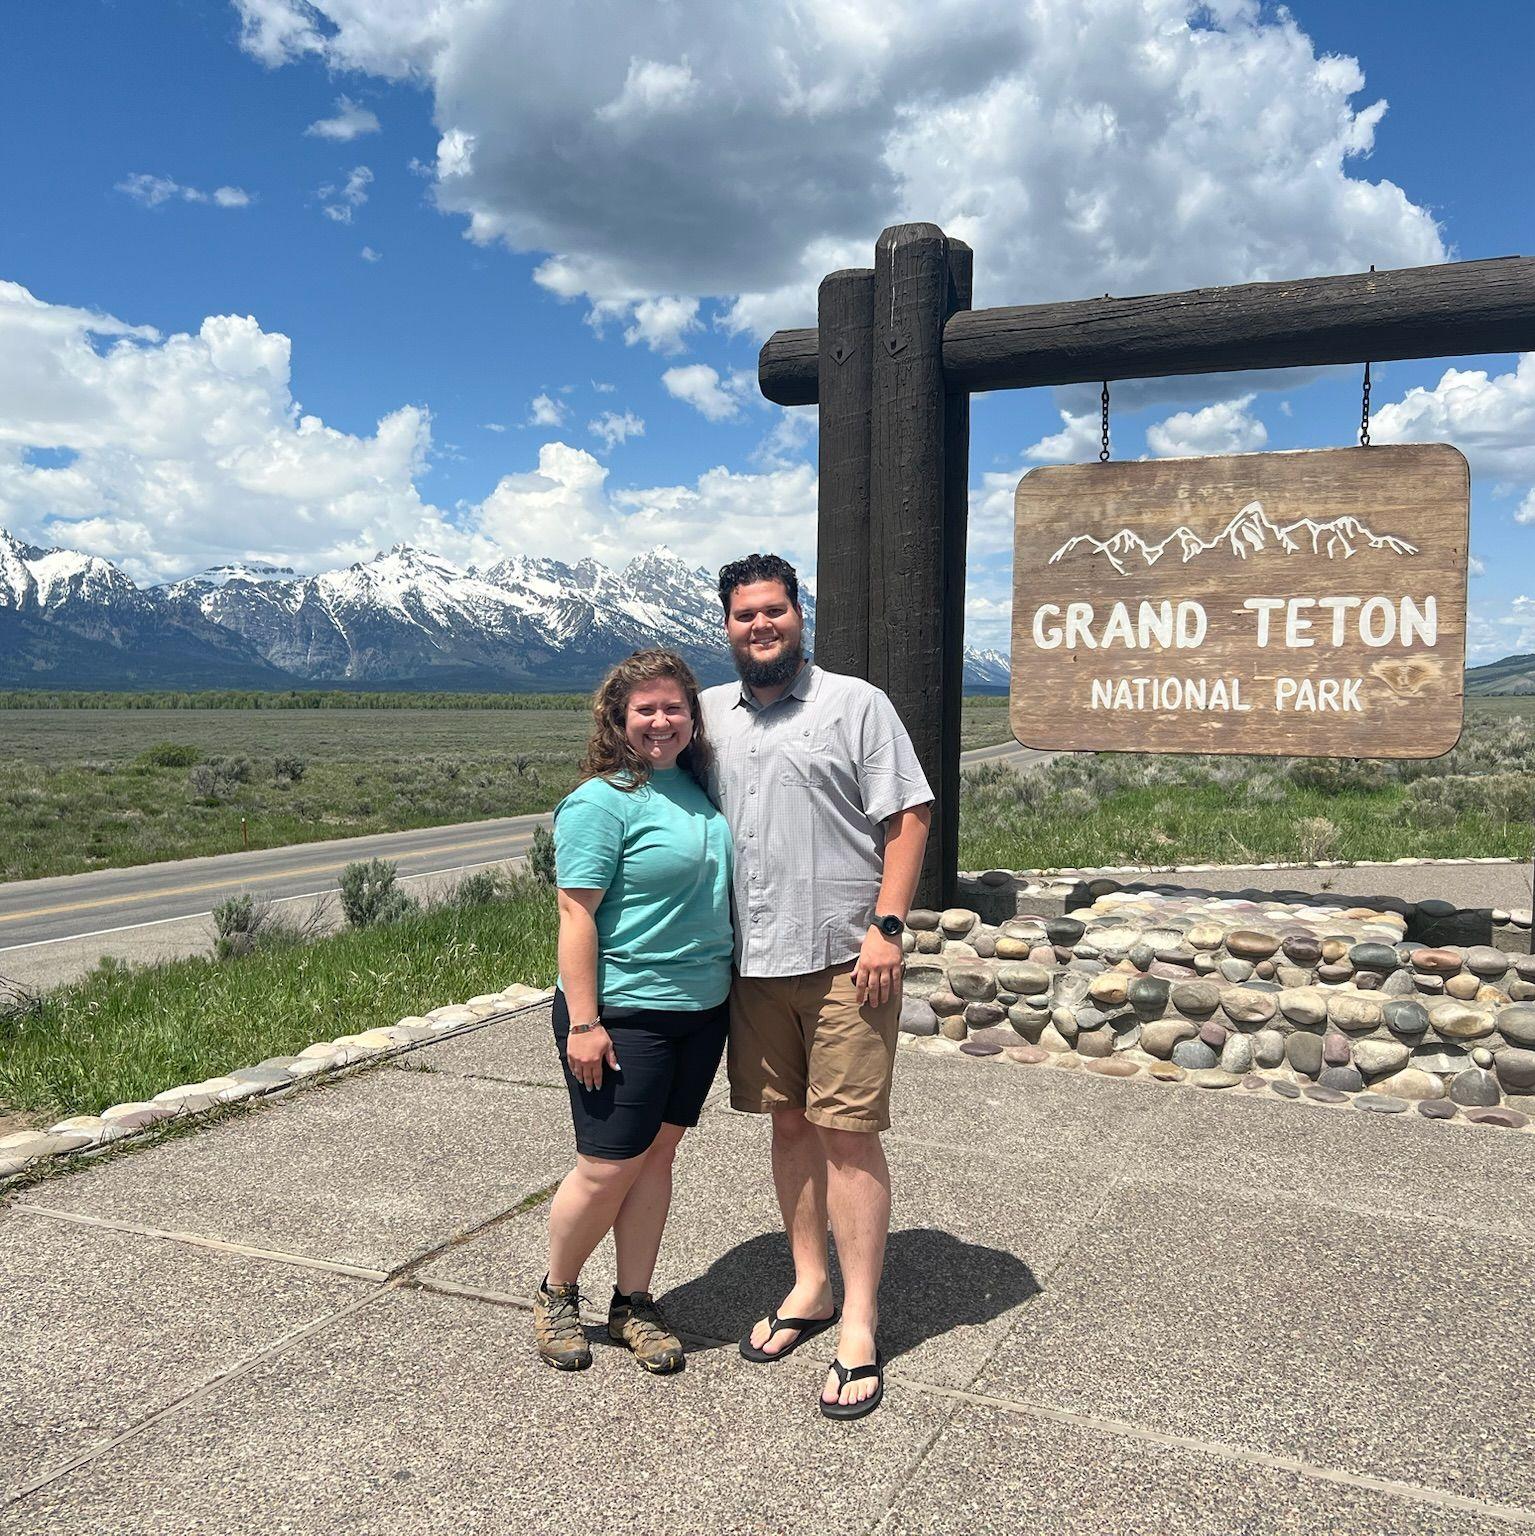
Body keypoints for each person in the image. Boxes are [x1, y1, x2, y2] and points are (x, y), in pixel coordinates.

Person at [700, 554, 932, 1421]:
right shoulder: (710, 716)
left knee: (848, 1135)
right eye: (743, 616)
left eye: (773, 612)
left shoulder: (854, 704)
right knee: (789, 1123)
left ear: (800, 616)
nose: (759, 627)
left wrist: (888, 927)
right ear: (726, 627)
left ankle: (861, 1325)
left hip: (846, 957)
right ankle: (810, 1286)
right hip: (751, 962)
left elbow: (906, 816)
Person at [534, 648, 734, 1375]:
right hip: (623, 1013)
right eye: (644, 709)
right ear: (617, 718)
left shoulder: (695, 787)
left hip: (700, 1008)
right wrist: (584, 1024)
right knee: (604, 1165)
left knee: (656, 1156)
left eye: (672, 707)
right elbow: (573, 912)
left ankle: (634, 1304)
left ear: (691, 715)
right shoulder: (601, 800)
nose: (660, 720)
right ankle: (557, 1293)